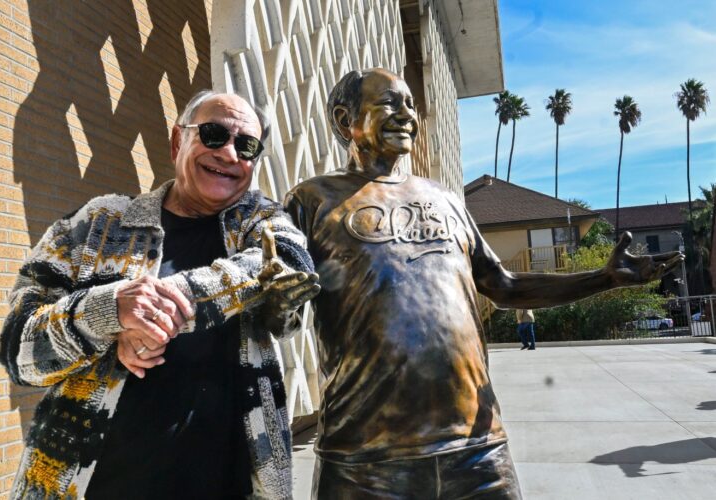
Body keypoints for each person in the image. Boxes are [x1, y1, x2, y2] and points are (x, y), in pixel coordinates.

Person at [284, 68, 683, 499]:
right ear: (346, 120)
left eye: (410, 104)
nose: (405, 115)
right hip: (365, 460)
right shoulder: (312, 200)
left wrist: (602, 279)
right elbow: (283, 312)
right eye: (388, 103)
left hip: (478, 448)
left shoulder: (446, 200)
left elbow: (504, 286)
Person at [0, 91, 320, 499]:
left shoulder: (260, 222)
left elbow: (287, 266)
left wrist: (157, 312)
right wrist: (106, 312)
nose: (228, 153)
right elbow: (18, 351)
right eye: (214, 134)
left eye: (246, 145)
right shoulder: (98, 224)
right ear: (176, 141)